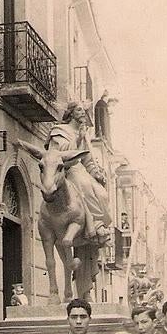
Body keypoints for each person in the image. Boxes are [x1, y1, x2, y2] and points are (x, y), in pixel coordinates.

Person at [46, 102, 111, 245]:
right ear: (71, 113)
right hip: (65, 170)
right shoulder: (60, 131)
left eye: (84, 110)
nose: (83, 113)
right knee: (85, 186)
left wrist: (96, 172)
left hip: (81, 169)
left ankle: (98, 222)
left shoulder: (84, 132)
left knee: (102, 194)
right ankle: (95, 225)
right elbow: (60, 154)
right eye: (79, 110)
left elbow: (87, 158)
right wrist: (79, 139)